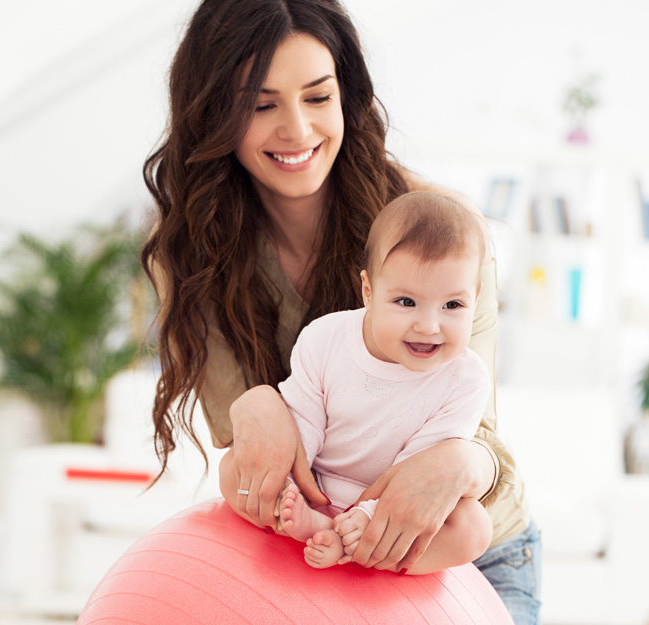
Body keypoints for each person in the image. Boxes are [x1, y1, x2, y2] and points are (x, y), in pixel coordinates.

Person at [141, 0, 541, 622]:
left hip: (469, 559)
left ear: (347, 98)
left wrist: (464, 461)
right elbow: (250, 452)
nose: (297, 130)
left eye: (318, 97)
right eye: (261, 103)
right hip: (313, 548)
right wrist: (259, 405)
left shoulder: (440, 231)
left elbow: (474, 425)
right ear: (214, 112)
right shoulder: (191, 257)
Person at [277, 191, 493, 574]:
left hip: (400, 512)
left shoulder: (466, 378)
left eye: (453, 306)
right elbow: (301, 420)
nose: (429, 326)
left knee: (474, 529)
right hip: (319, 486)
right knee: (232, 473)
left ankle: (358, 549)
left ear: (475, 299)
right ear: (369, 292)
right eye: (406, 302)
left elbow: (421, 470)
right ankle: (321, 527)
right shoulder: (324, 338)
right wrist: (295, 484)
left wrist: (368, 516)